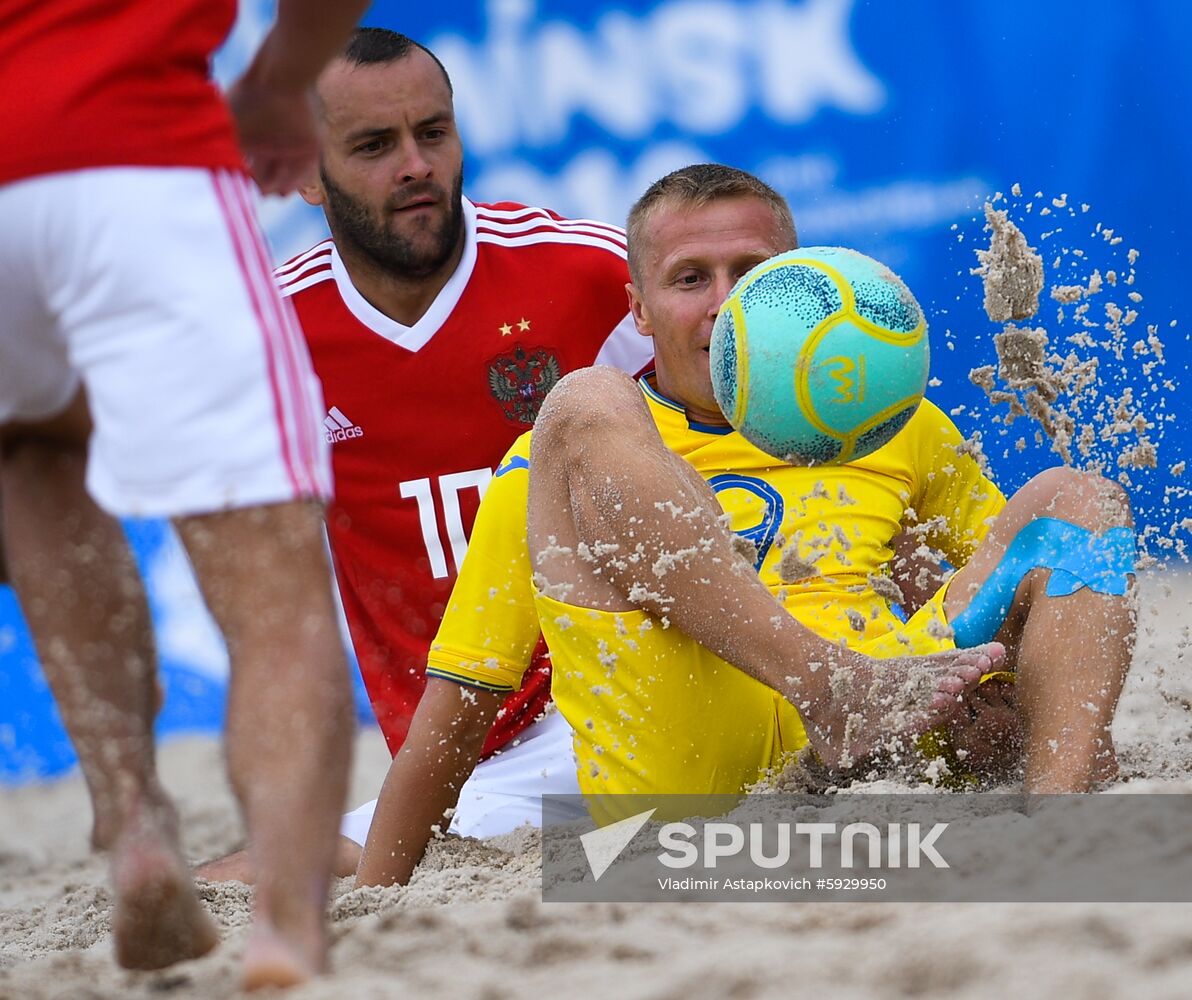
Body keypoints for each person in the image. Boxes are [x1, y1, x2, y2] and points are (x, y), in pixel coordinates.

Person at [351, 163, 1135, 886]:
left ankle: (1060, 830)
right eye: (690, 278)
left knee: (1077, 498)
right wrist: (375, 898)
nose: (725, 303)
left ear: (801, 283)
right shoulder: (562, 456)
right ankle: (826, 687)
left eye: (754, 275)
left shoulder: (886, 421)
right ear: (639, 309)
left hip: (883, 715)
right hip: (689, 770)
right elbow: (457, 709)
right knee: (583, 398)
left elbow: (1032, 590)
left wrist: (1005, 696)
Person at [193, 28, 651, 884]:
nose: (415, 166)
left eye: (432, 133)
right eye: (374, 146)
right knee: (234, 877)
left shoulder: (587, 271)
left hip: (622, 689)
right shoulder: (266, 339)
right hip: (462, 757)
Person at [0, 0, 369, 987]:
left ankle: (133, 817)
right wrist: (281, 81)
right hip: (138, 149)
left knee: (30, 450)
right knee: (274, 590)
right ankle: (284, 932)